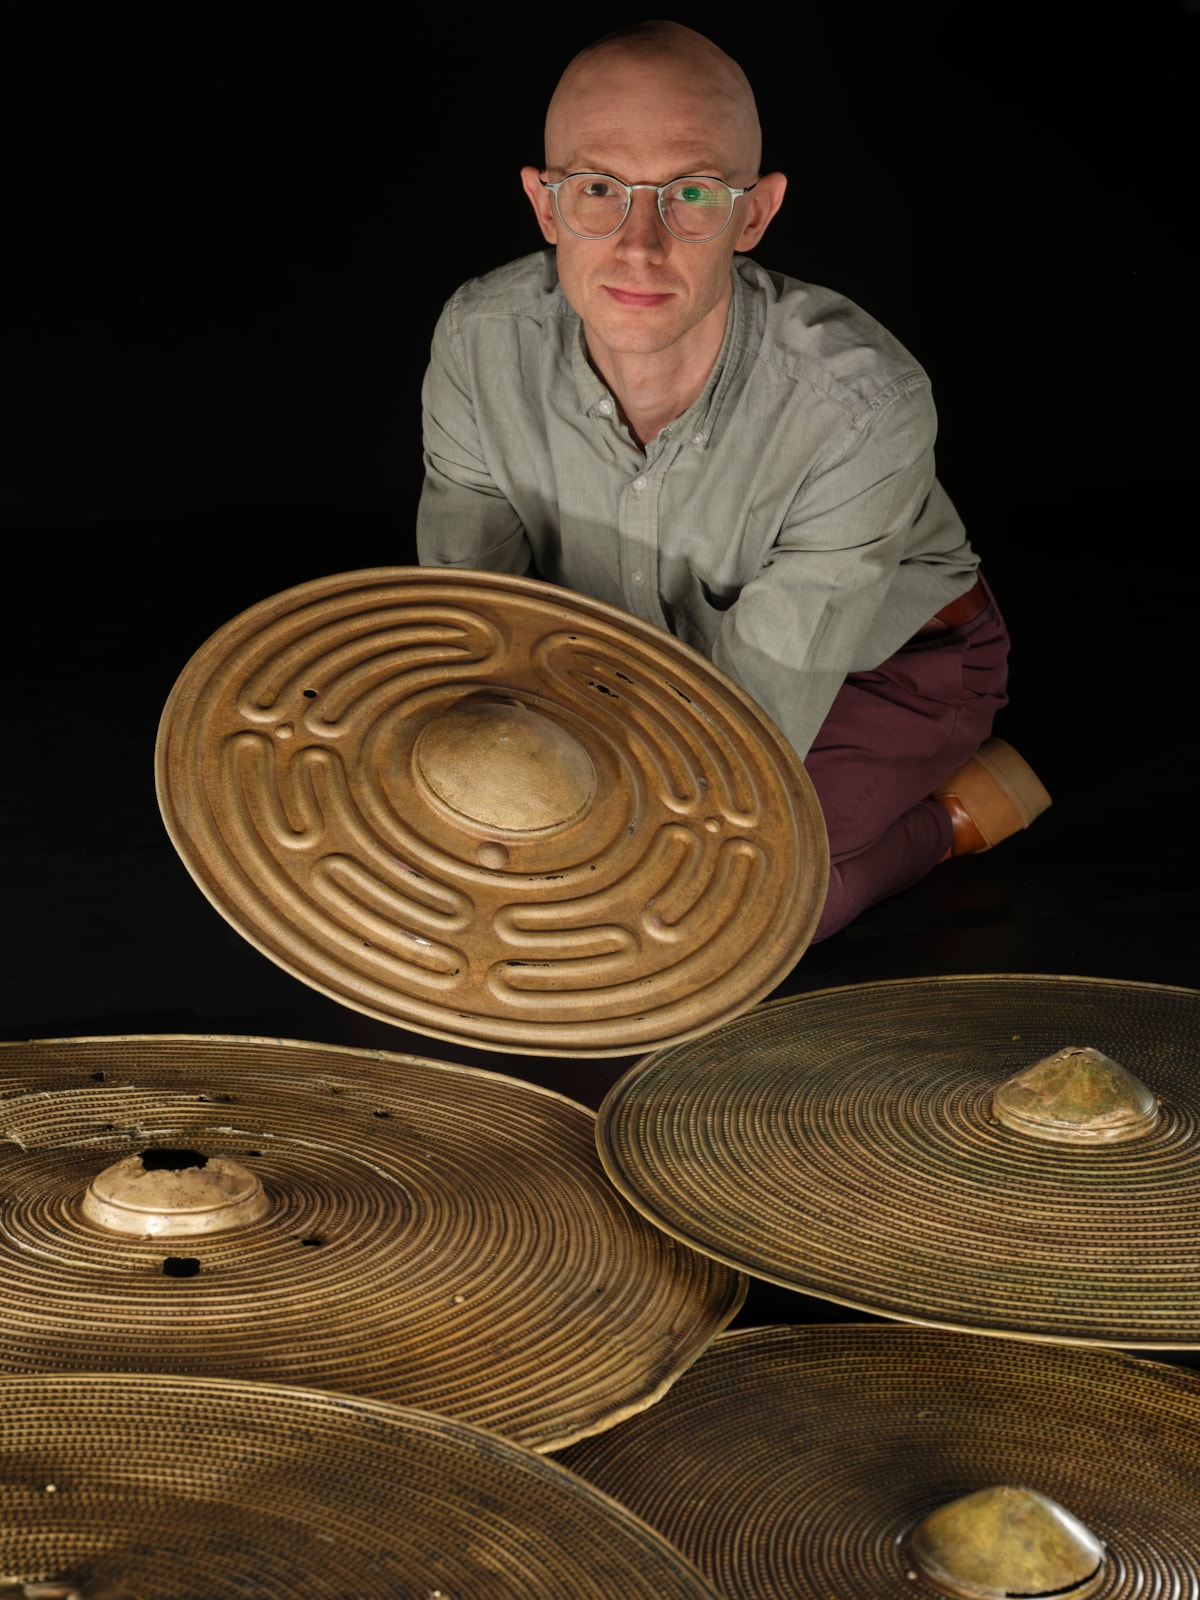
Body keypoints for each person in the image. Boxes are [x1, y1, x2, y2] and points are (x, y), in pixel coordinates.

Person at [417, 21, 1049, 940]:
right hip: (627, 670)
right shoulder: (478, 343)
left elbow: (738, 748)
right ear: (545, 205)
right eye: (598, 188)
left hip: (883, 672)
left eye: (692, 194)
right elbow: (476, 634)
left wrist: (583, 852)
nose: (639, 245)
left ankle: (945, 821)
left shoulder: (862, 403)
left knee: (701, 914)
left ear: (753, 214)